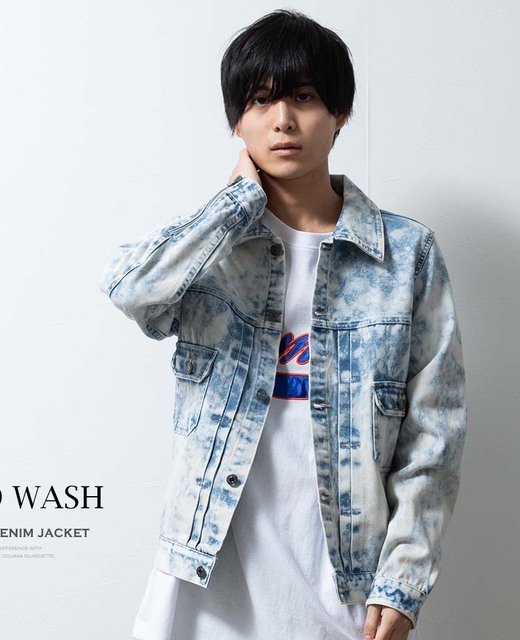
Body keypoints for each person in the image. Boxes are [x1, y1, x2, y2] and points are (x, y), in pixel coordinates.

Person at [99, 9, 466, 640]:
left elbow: (434, 435)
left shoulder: (406, 255)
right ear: (236, 122)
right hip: (205, 582)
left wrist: (404, 580)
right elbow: (130, 292)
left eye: (305, 97)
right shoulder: (212, 250)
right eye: (261, 100)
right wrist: (232, 207)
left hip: (346, 586)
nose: (283, 120)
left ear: (340, 114)